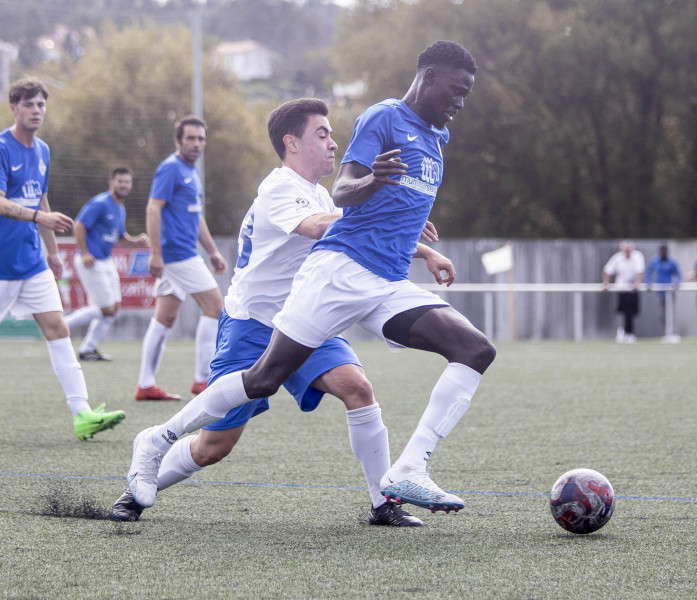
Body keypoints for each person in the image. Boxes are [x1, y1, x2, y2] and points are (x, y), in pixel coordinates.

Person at [124, 40, 495, 516]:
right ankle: (157, 442)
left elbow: (349, 215)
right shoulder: (281, 187)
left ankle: (393, 491)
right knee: (225, 431)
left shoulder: (325, 190)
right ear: (292, 144)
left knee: (397, 375)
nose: (334, 141)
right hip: (259, 318)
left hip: (354, 293)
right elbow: (327, 223)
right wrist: (379, 196)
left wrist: (417, 245)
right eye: (322, 134)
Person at [0, 78, 126, 442]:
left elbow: (40, 198)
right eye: (29, 105)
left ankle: (82, 413)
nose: (36, 111)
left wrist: (53, 252)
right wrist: (42, 220)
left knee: (57, 328)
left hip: (32, 260)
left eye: (41, 105)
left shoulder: (43, 150)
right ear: (14, 108)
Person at [135, 116, 228, 401]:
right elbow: (153, 209)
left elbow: (196, 216)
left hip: (183, 253)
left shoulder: (191, 172)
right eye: (190, 138)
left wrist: (212, 251)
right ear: (178, 141)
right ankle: (203, 379)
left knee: (164, 317)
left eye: (201, 139)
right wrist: (156, 254)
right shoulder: (171, 169)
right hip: (176, 254)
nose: (197, 143)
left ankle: (145, 385)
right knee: (215, 306)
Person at [64, 167, 150, 361]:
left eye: (127, 182)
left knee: (114, 308)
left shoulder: (120, 208)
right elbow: (79, 225)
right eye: (120, 181)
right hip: (91, 261)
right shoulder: (101, 203)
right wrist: (85, 252)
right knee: (106, 308)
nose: (124, 185)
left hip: (106, 260)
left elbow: (120, 237)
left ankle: (88, 349)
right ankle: (60, 325)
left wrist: (136, 241)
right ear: (112, 183)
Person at [602, 240, 645, 343]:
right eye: (625, 250)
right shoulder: (617, 258)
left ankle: (625, 330)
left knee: (633, 311)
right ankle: (628, 332)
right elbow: (607, 270)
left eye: (629, 250)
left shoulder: (637, 256)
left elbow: (640, 271)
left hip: (633, 289)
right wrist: (606, 283)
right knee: (626, 311)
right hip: (622, 288)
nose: (627, 252)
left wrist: (637, 282)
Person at [644, 244, 682, 342]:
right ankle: (667, 332)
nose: (663, 254)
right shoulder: (655, 260)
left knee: (671, 313)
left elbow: (678, 274)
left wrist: (677, 282)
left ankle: (672, 333)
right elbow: (649, 271)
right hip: (660, 292)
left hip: (670, 292)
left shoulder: (672, 261)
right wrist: (648, 282)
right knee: (662, 314)